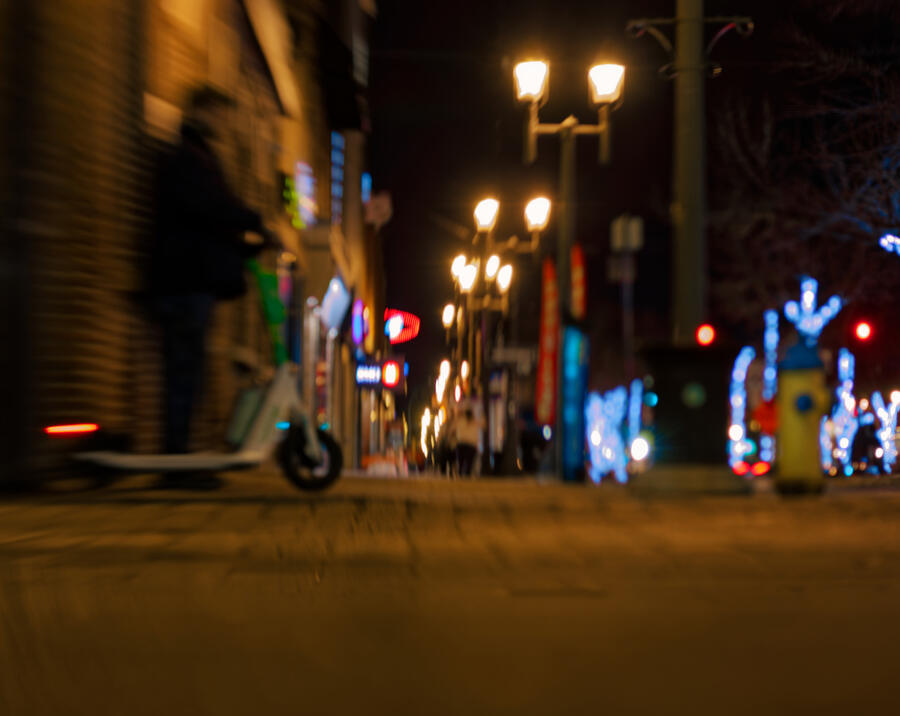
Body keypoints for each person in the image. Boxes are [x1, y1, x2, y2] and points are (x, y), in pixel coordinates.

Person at [149, 85, 270, 481]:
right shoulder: (189, 158)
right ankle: (177, 465)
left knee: (186, 374)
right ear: (201, 112)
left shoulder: (197, 157)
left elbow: (210, 221)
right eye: (220, 114)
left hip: (188, 283)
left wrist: (247, 244)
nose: (225, 123)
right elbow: (211, 208)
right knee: (184, 374)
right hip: (184, 285)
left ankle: (180, 458)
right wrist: (256, 222)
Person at [455, 407, 482, 477]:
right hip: (470, 445)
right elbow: (483, 424)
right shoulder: (474, 422)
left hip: (462, 444)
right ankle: (466, 476)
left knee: (461, 464)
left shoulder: (461, 421)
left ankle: (461, 476)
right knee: (468, 464)